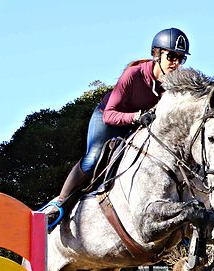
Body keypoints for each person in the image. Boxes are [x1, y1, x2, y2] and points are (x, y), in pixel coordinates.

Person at [43, 28, 190, 225]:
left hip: (137, 125)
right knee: (94, 157)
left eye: (181, 59)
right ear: (157, 54)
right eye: (171, 56)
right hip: (107, 118)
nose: (176, 63)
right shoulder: (133, 75)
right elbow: (110, 115)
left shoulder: (174, 85)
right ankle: (60, 205)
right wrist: (137, 117)